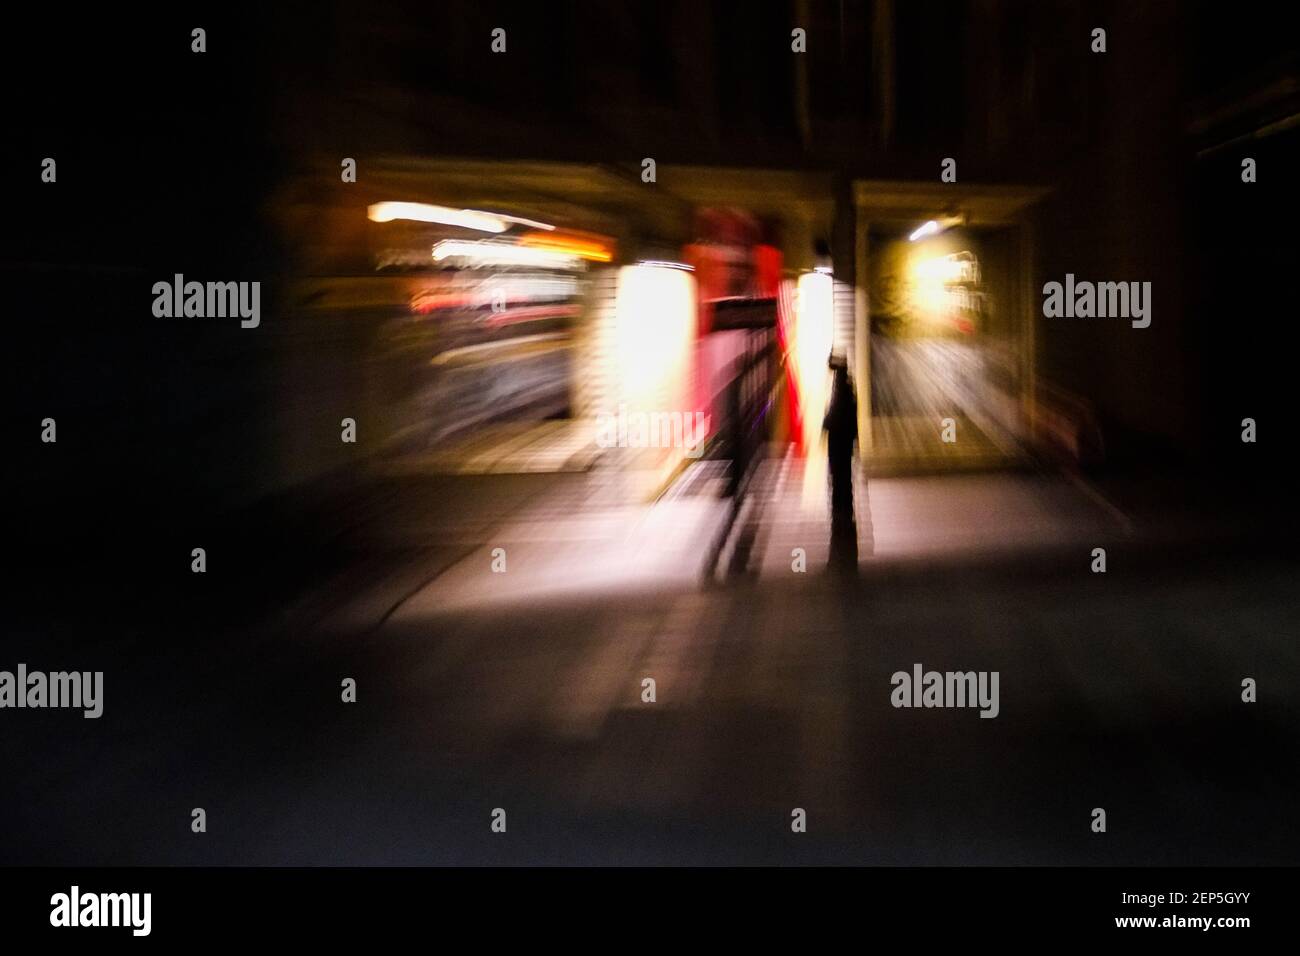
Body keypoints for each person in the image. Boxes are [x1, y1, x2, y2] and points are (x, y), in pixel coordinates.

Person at [823, 356, 858, 570]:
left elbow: (833, 419)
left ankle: (841, 513)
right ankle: (846, 511)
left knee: (839, 478)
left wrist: (826, 425)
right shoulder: (849, 393)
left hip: (838, 443)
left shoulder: (840, 394)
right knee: (844, 477)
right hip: (844, 443)